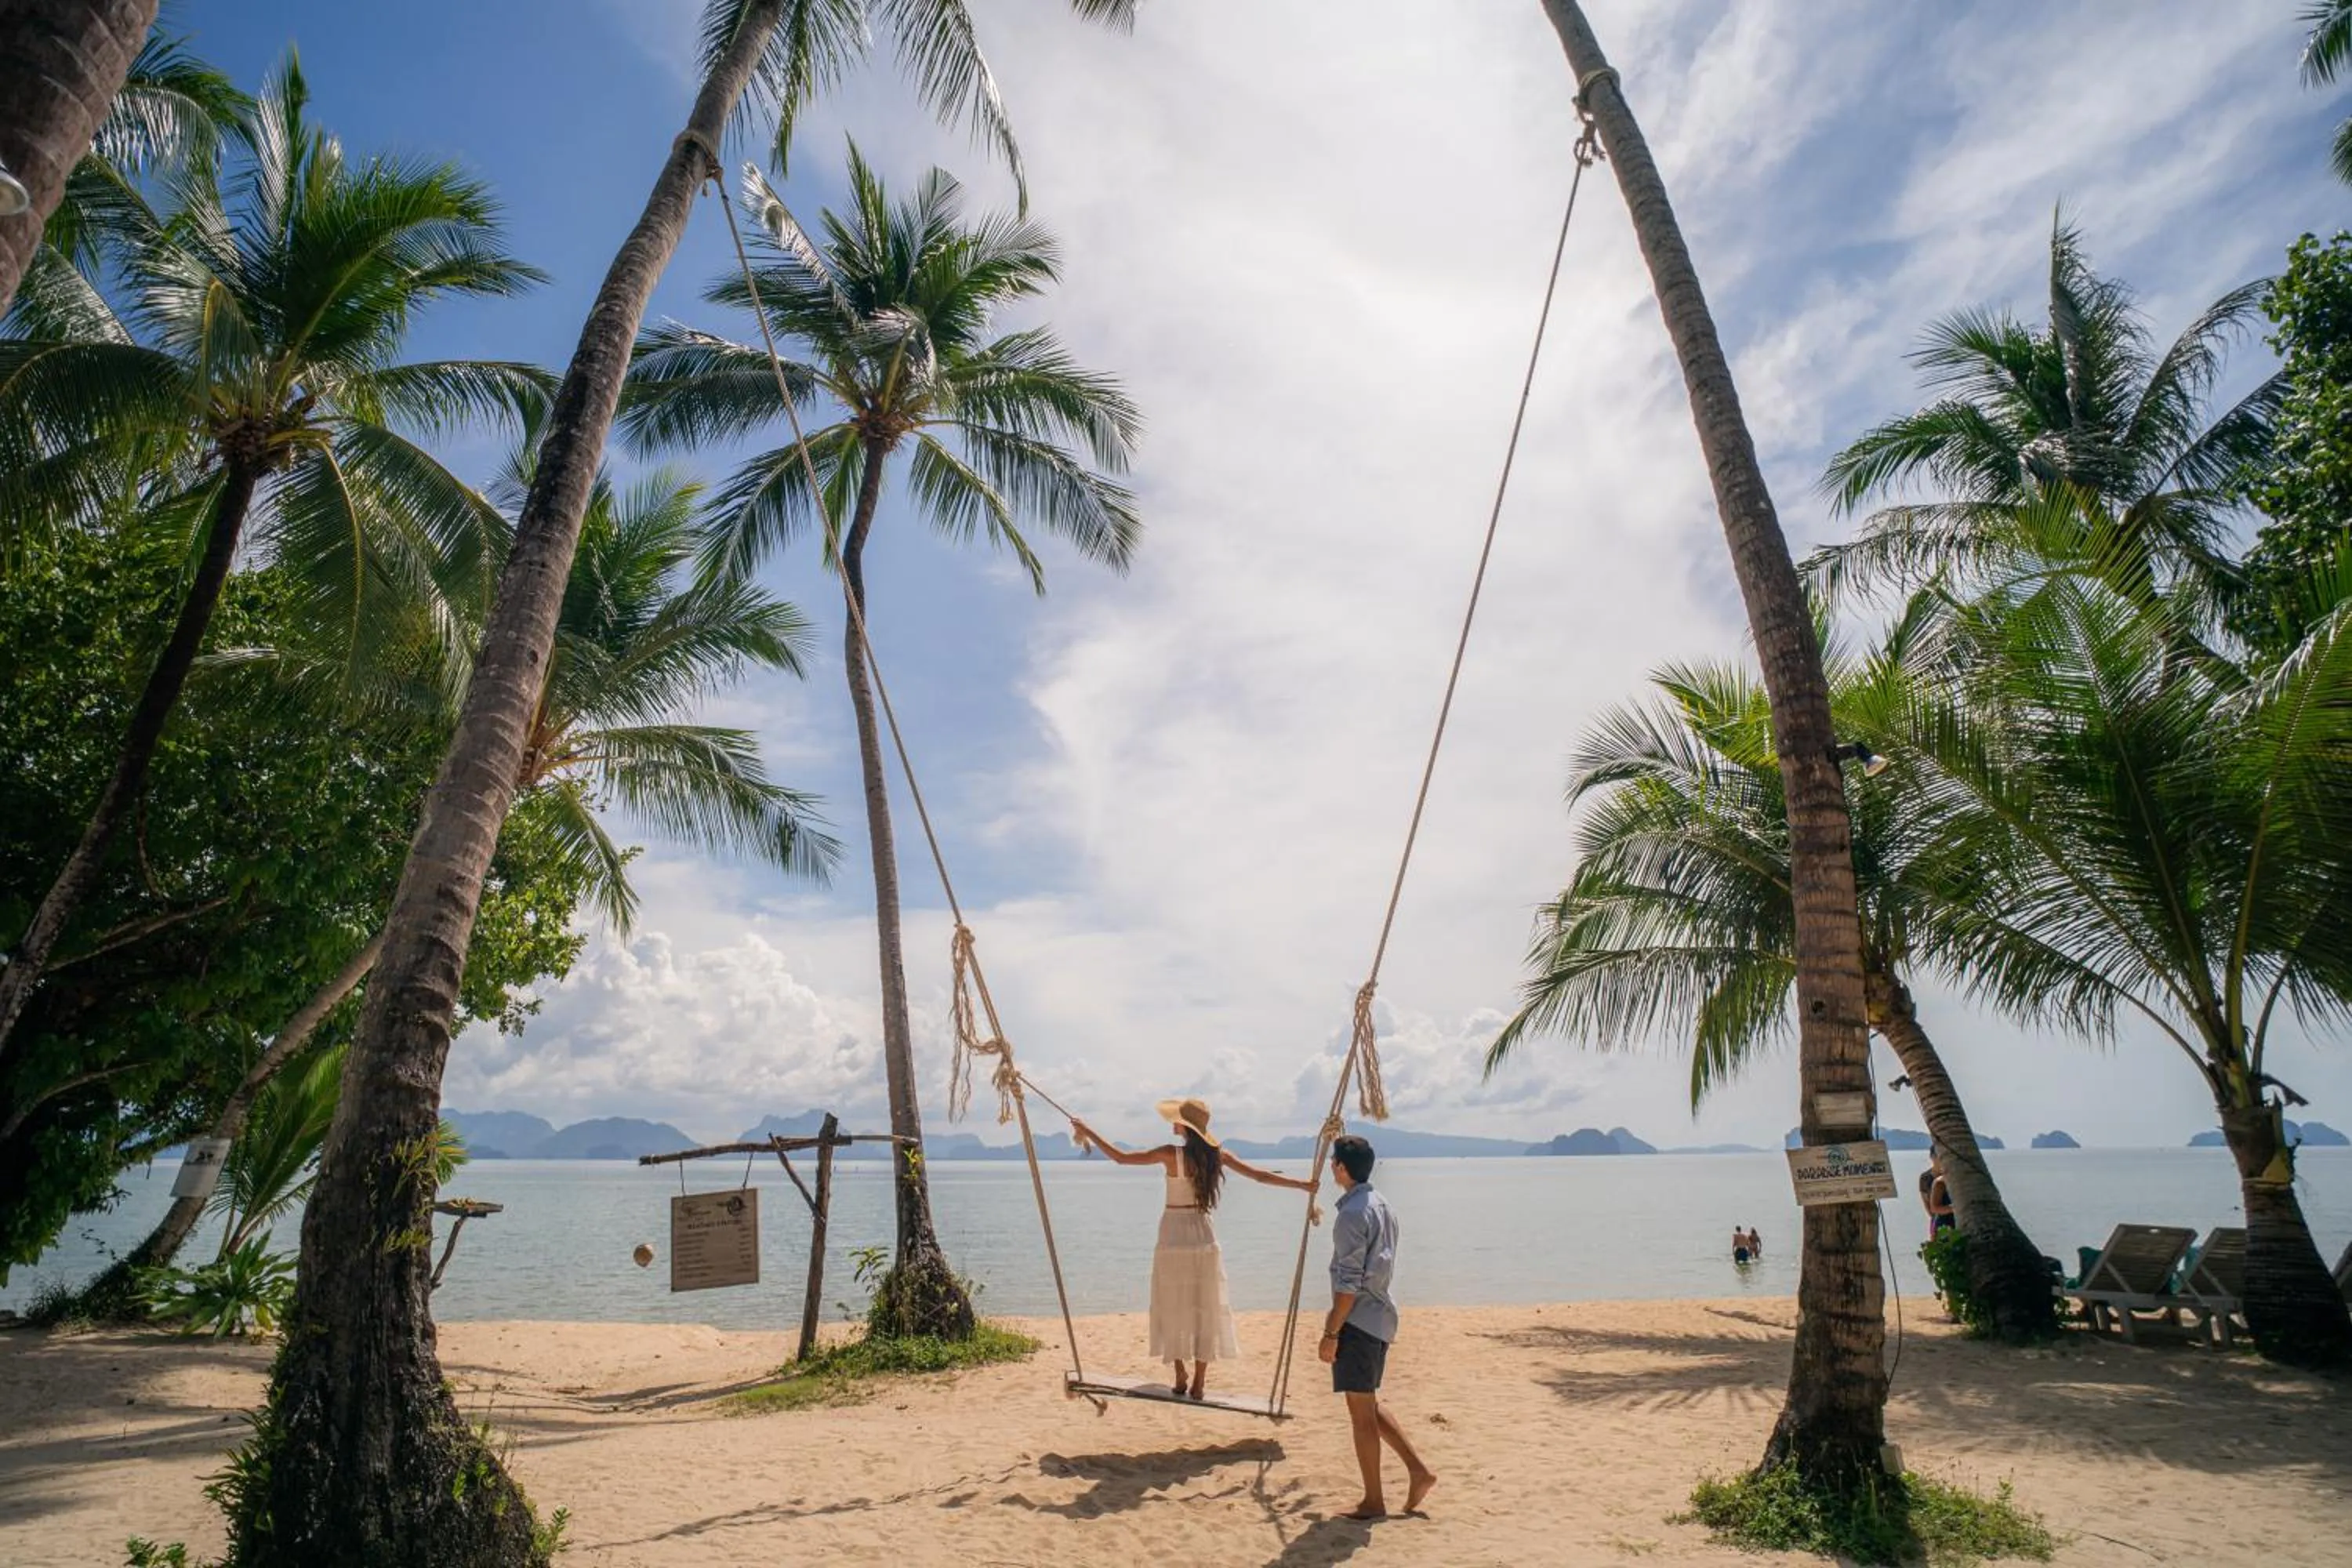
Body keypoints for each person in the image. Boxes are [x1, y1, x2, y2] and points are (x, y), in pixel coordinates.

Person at [1072, 1097, 1314, 1400]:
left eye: (1176, 1119)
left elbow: (1120, 1158)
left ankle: (1179, 1373)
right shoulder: (1217, 1156)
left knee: (1171, 1301)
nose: (1171, 1122)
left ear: (1183, 1126)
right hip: (1202, 1233)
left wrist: (1087, 1130)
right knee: (1205, 1304)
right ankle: (1199, 1381)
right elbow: (1259, 1176)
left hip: (1173, 1232)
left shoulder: (1169, 1154)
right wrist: (1302, 1185)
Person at [1319, 1134, 1436, 1520]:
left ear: (1340, 1168)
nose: (1331, 1167)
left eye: (1333, 1161)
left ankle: (1373, 1501)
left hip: (1360, 1320)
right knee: (1367, 1403)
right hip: (1381, 1316)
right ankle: (1419, 1471)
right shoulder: (1382, 1205)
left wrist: (1331, 1333)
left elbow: (1348, 1285)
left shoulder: (1352, 1214)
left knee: (1361, 1414)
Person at [1920, 1153, 1955, 1242]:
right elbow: (1927, 1204)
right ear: (1932, 1157)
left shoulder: (1952, 1177)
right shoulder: (1926, 1178)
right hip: (1940, 1218)